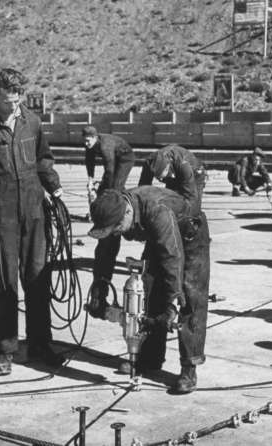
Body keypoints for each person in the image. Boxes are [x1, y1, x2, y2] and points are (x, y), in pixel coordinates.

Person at [0, 68, 65, 375]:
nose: (13, 107)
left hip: (34, 210)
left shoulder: (31, 121)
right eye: (7, 102)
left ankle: (40, 344)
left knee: (38, 278)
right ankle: (4, 349)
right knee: (4, 282)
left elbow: (44, 159)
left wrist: (54, 187)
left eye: (17, 101)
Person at [86, 187, 210, 395]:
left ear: (127, 213)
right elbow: (105, 252)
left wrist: (173, 301)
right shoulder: (113, 211)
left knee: (189, 295)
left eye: (117, 228)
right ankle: (151, 359)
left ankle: (189, 367)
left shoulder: (157, 211)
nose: (116, 233)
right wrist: (99, 291)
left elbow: (172, 256)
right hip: (159, 237)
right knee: (149, 288)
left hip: (189, 237)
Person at [138, 144, 206, 213]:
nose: (161, 180)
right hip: (174, 173)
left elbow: (191, 196)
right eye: (157, 177)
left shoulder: (183, 165)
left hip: (195, 174)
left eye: (162, 176)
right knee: (171, 203)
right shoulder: (149, 164)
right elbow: (142, 189)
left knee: (194, 209)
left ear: (167, 167)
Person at [82, 125, 136, 201]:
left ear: (95, 137)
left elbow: (109, 170)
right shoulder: (89, 144)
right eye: (84, 140)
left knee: (115, 188)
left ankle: (124, 204)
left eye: (88, 141)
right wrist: (90, 179)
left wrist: (107, 189)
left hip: (125, 158)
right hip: (114, 158)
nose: (85, 144)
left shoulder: (105, 145)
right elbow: (89, 161)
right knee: (105, 187)